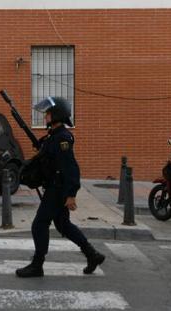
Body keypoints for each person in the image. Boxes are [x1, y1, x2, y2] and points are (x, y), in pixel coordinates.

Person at [16, 97, 105, 278]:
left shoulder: (62, 138)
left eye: (48, 113)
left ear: (57, 115)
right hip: (54, 187)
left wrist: (71, 194)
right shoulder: (54, 136)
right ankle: (92, 255)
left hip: (58, 189)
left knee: (39, 224)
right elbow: (49, 156)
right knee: (63, 225)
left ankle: (37, 265)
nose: (45, 116)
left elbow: (71, 168)